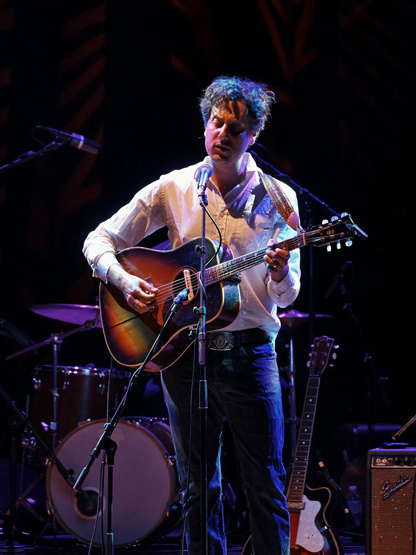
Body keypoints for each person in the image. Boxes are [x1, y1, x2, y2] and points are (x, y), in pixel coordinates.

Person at [83, 76, 301, 555]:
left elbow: (286, 297)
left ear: (253, 134)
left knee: (265, 487)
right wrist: (124, 281)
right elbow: (99, 239)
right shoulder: (176, 187)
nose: (222, 134)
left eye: (235, 128)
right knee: (198, 488)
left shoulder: (280, 199)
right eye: (216, 123)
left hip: (250, 356)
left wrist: (281, 271)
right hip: (184, 354)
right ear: (205, 124)